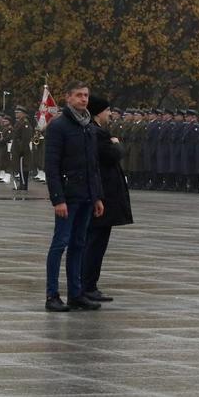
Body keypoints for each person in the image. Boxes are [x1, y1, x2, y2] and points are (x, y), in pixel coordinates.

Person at [44, 81, 104, 312]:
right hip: (68, 196)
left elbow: (93, 166)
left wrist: (97, 196)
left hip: (86, 196)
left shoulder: (88, 125)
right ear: (68, 98)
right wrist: (58, 199)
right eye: (79, 95)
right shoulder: (58, 126)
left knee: (79, 244)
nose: (83, 99)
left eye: (86, 95)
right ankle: (52, 295)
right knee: (60, 244)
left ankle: (76, 294)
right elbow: (52, 166)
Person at [81, 96, 132, 302]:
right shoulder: (98, 133)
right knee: (95, 243)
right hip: (103, 196)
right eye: (107, 111)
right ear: (98, 113)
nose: (109, 114)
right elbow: (112, 155)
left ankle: (88, 284)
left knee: (94, 242)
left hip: (101, 195)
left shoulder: (93, 130)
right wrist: (117, 145)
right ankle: (88, 285)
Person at [10, 105, 33, 191]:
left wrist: (22, 149)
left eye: (18, 112)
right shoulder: (19, 122)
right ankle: (22, 184)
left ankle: (24, 184)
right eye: (16, 112)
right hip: (17, 148)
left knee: (23, 168)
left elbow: (25, 138)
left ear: (23, 114)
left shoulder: (25, 123)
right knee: (20, 168)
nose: (16, 114)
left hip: (22, 150)